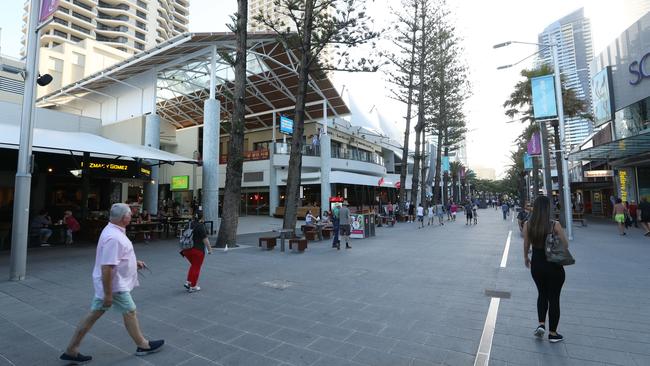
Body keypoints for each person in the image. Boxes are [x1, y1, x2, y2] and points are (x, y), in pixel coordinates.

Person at [59, 203, 164, 364]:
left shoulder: (113, 231)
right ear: (124, 218)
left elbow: (116, 258)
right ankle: (142, 345)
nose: (132, 215)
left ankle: (71, 350)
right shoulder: (114, 237)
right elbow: (107, 267)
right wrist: (108, 294)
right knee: (130, 311)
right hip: (114, 286)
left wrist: (134, 262)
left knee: (94, 314)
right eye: (130, 214)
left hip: (112, 285)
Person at [523, 196, 568, 343]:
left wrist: (525, 258)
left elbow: (526, 245)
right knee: (554, 298)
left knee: (542, 294)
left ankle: (541, 324)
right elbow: (565, 245)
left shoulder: (528, 224)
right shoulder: (554, 225)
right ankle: (553, 333)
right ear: (548, 208)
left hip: (537, 265)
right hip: (554, 266)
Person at [180, 215, 212, 292]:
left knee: (193, 265)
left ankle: (188, 282)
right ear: (202, 218)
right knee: (196, 267)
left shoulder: (188, 224)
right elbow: (205, 239)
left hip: (186, 249)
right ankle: (193, 286)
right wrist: (209, 249)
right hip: (197, 250)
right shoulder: (201, 226)